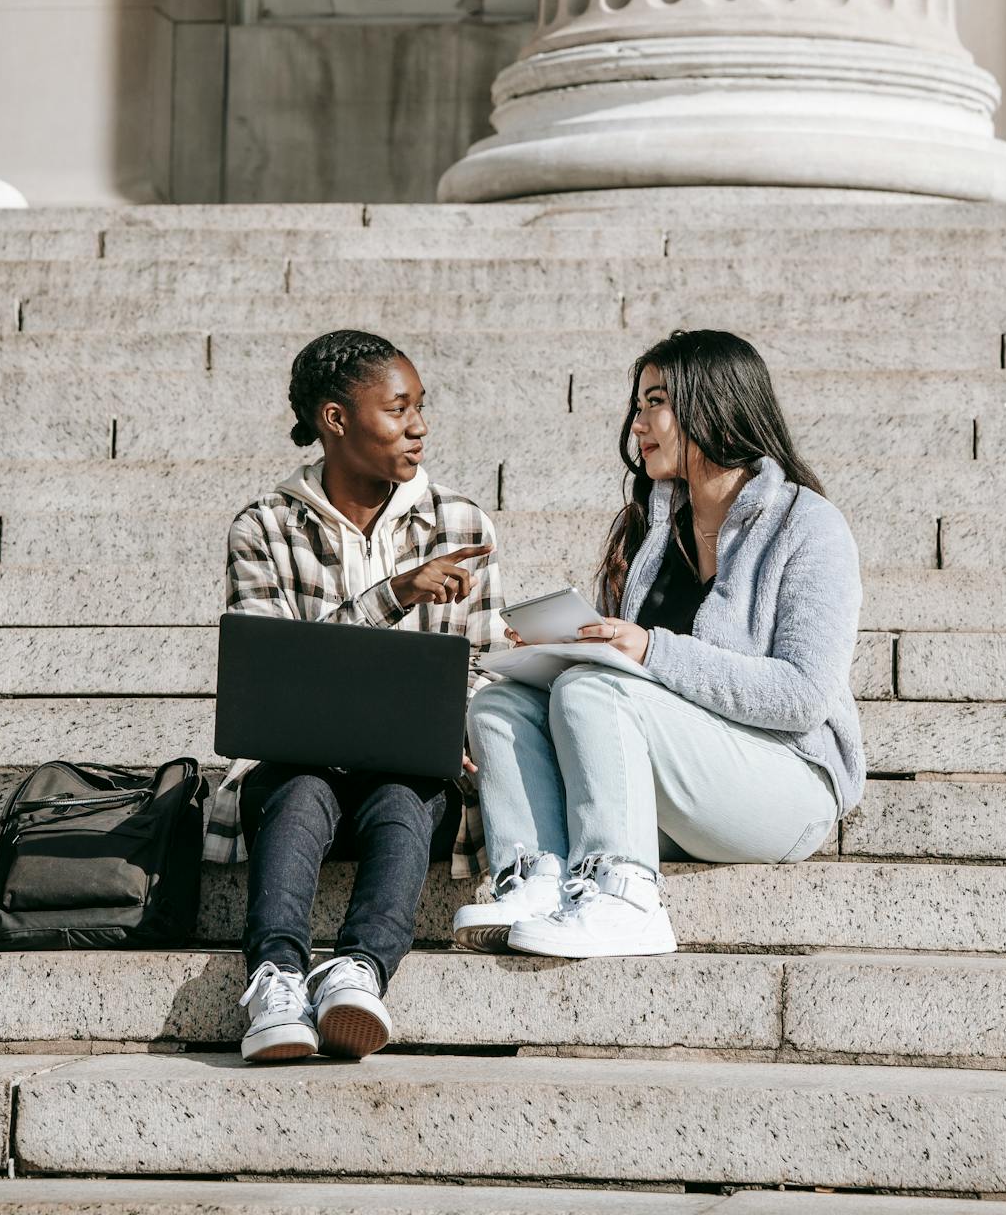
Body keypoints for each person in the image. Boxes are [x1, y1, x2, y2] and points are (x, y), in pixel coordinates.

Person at [453, 327, 863, 959]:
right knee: (499, 704)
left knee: (594, 688)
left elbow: (804, 696)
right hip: (679, 781)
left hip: (788, 782)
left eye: (656, 403)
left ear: (715, 406)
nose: (638, 424)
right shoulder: (650, 529)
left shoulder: (807, 525)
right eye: (637, 405)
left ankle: (626, 900)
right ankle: (537, 879)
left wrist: (649, 649)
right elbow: (629, 686)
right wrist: (566, 645)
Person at [205, 328, 503, 1063]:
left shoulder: (460, 524)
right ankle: (275, 979)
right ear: (336, 420)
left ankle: (359, 972)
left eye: (420, 407)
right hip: (291, 781)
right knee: (300, 785)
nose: (418, 426)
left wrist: (467, 730)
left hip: (406, 780)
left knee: (406, 795)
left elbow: (486, 662)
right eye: (398, 409)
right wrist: (393, 595)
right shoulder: (266, 529)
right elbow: (274, 676)